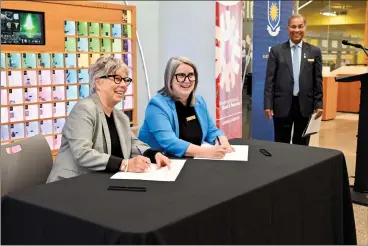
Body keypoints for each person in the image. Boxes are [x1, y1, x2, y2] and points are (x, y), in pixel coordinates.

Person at [46, 56, 170, 183]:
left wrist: (154, 154)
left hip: (100, 183)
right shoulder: (83, 109)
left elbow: (133, 143)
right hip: (70, 184)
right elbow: (83, 153)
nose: (123, 85)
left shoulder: (120, 116)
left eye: (126, 80)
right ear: (98, 82)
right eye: (117, 79)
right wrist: (125, 164)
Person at [138, 56, 234, 159]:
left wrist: (221, 140)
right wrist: (207, 152)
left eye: (191, 75)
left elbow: (211, 130)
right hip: (158, 165)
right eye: (181, 75)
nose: (187, 80)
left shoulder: (199, 101)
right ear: (169, 78)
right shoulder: (157, 105)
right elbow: (170, 142)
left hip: (189, 162)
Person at [264, 14, 323, 146]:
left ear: (305, 28)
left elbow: (317, 80)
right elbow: (270, 80)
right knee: (281, 144)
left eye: (300, 26)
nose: (297, 30)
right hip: (282, 104)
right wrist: (268, 104)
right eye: (293, 27)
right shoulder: (276, 51)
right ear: (288, 28)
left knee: (302, 144)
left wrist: (318, 104)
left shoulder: (314, 51)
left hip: (305, 105)